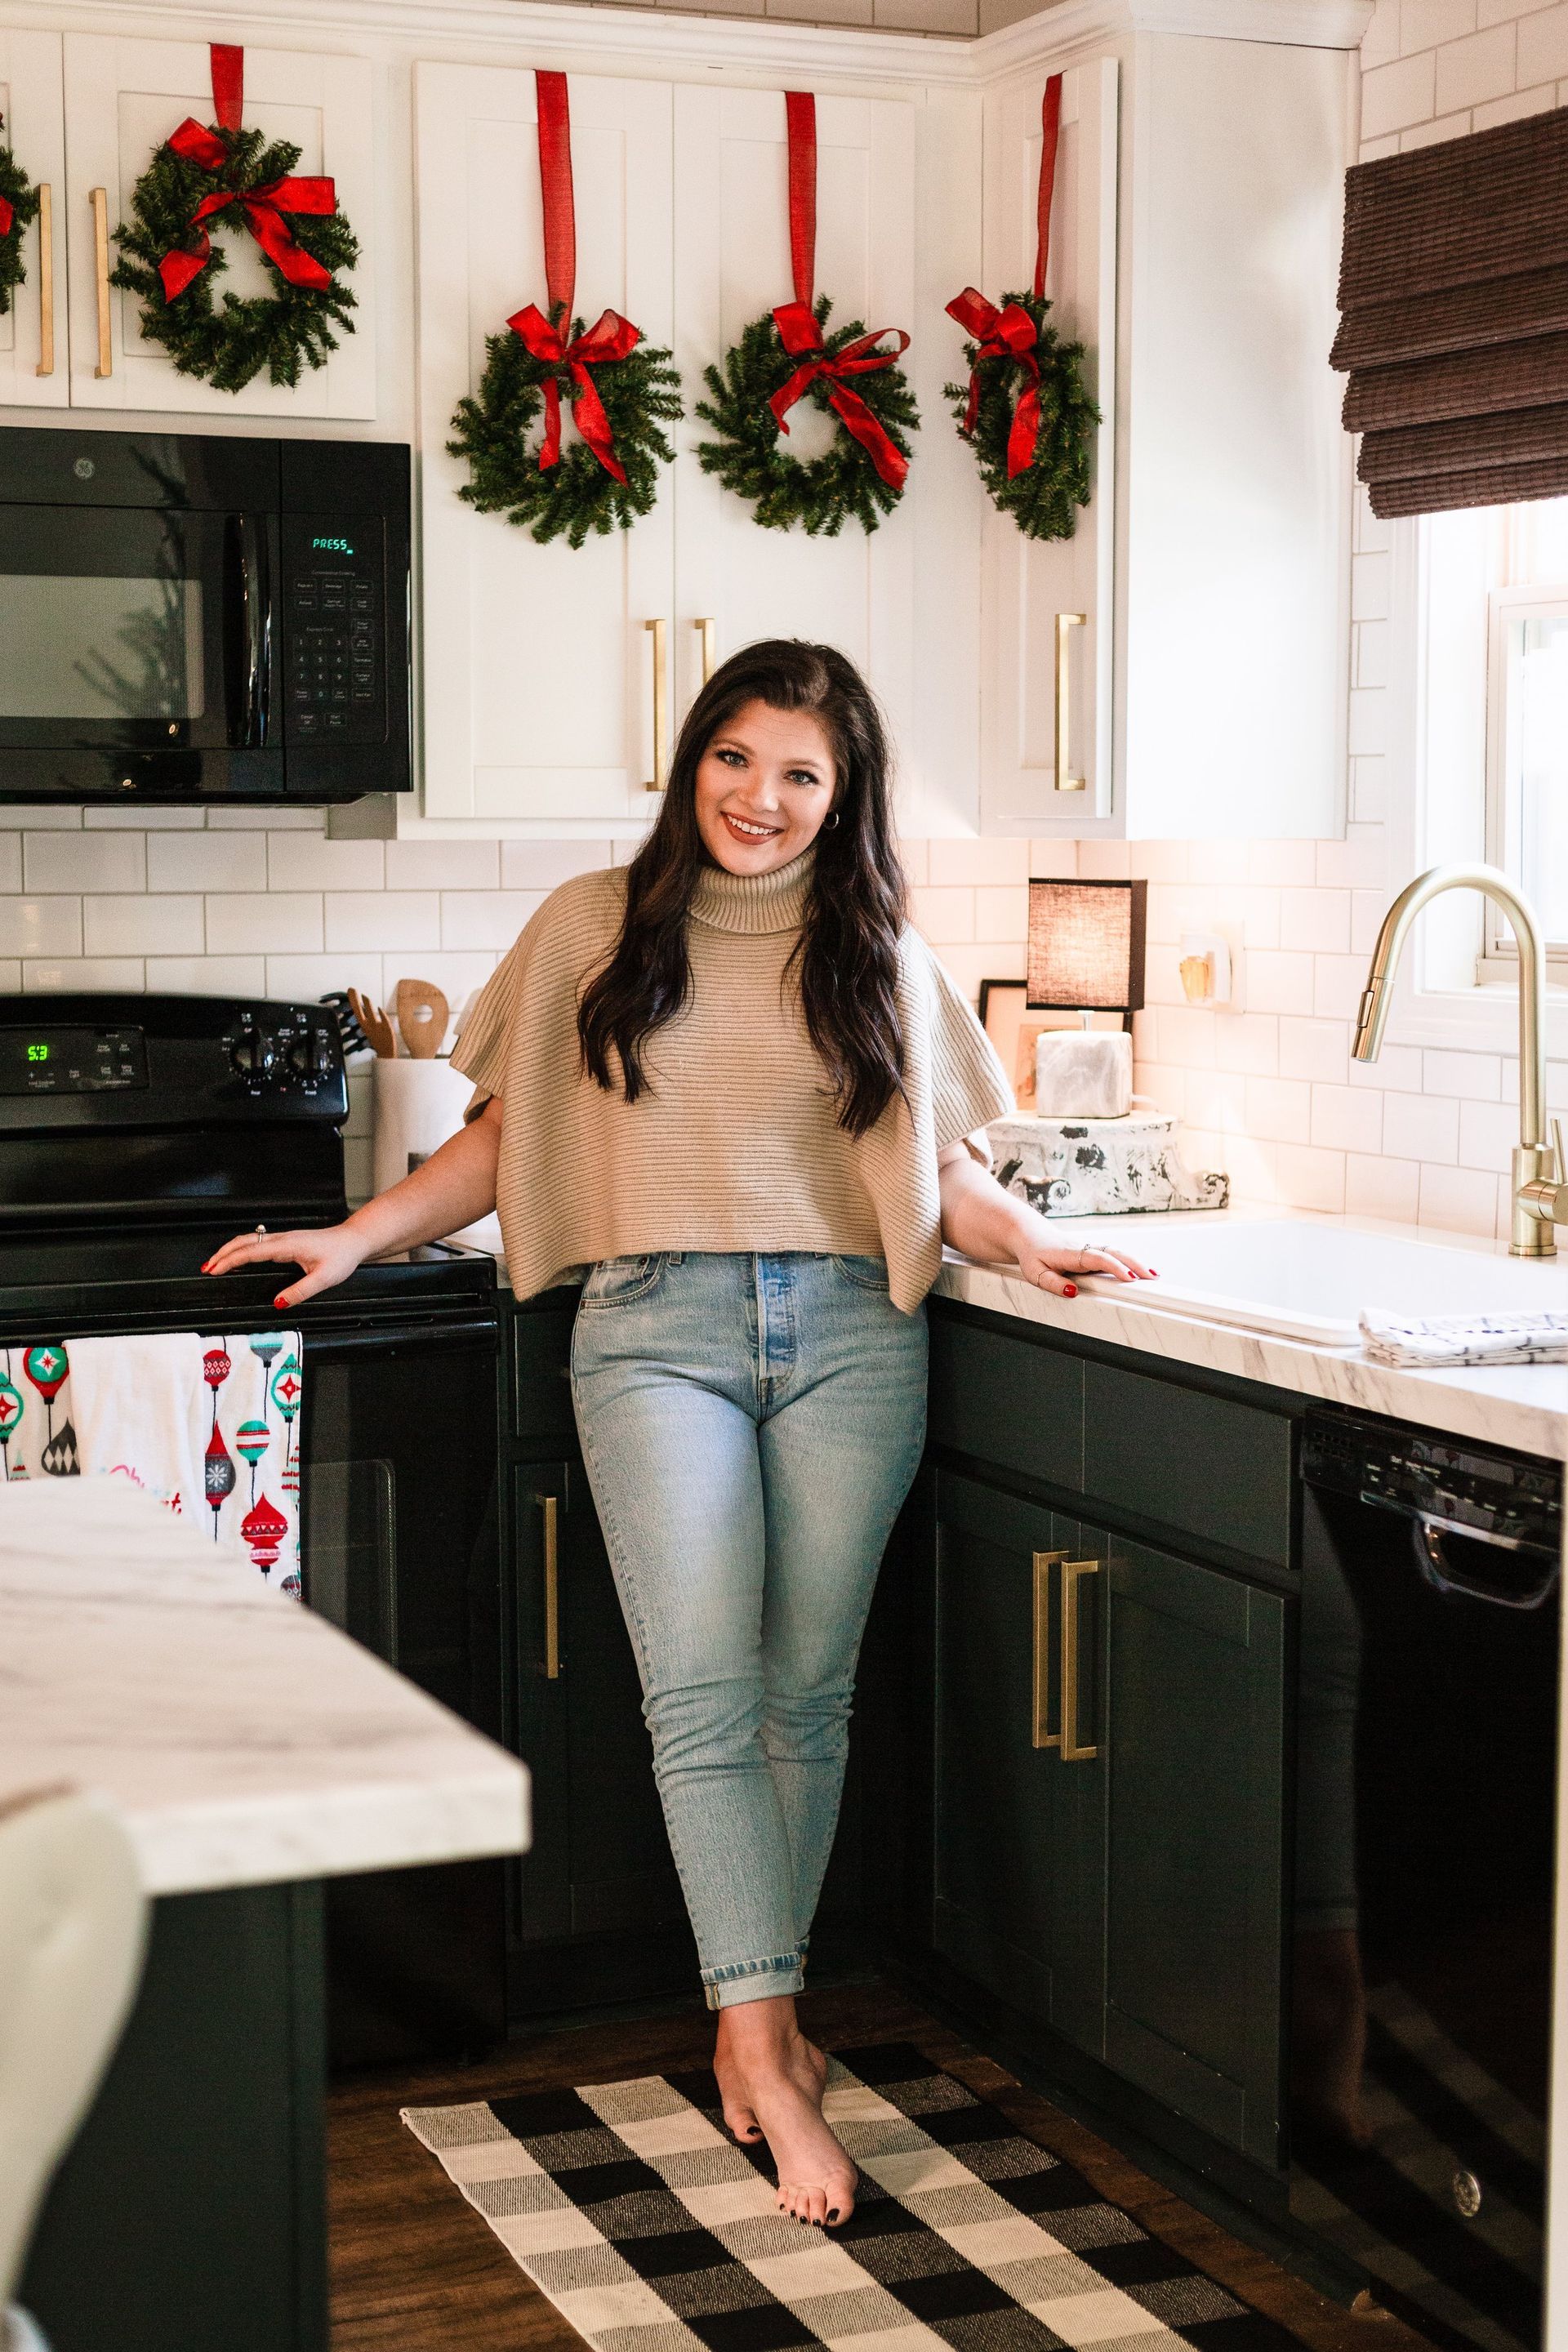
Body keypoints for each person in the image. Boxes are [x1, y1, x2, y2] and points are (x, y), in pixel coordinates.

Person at [204, 639, 1154, 2227]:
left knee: (809, 1696)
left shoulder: (879, 947)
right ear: (689, 757)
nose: (761, 798)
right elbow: (506, 1139)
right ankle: (767, 2047)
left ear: (842, 799)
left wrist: (1030, 1244)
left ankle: (754, 2021)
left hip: (857, 1334)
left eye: (802, 773)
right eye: (736, 757)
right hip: (653, 1337)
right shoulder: (596, 925)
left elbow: (939, 1174)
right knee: (709, 1698)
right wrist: (357, 1238)